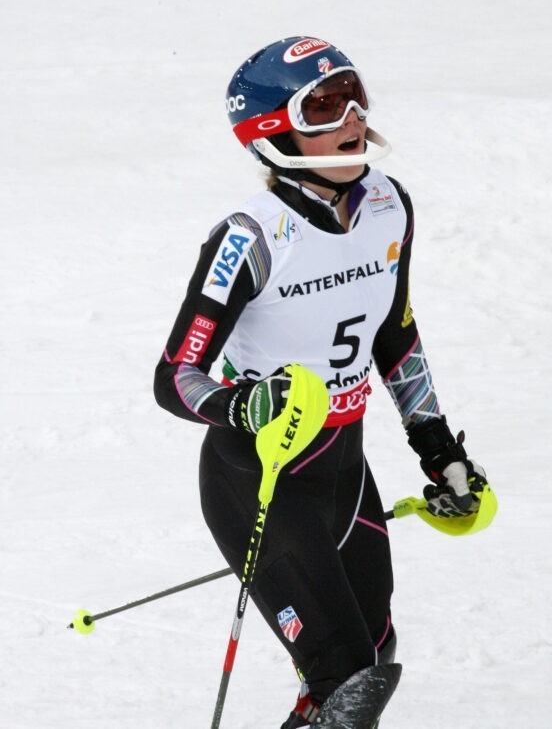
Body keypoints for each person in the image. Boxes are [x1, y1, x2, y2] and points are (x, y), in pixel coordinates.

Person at [154, 36, 487, 729]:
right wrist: (241, 403)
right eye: (324, 105)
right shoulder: (251, 237)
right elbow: (175, 375)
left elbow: (393, 334)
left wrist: (435, 445)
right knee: (349, 678)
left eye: (354, 94)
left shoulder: (389, 207)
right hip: (260, 480)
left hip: (342, 469)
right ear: (275, 130)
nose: (353, 117)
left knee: (372, 654)